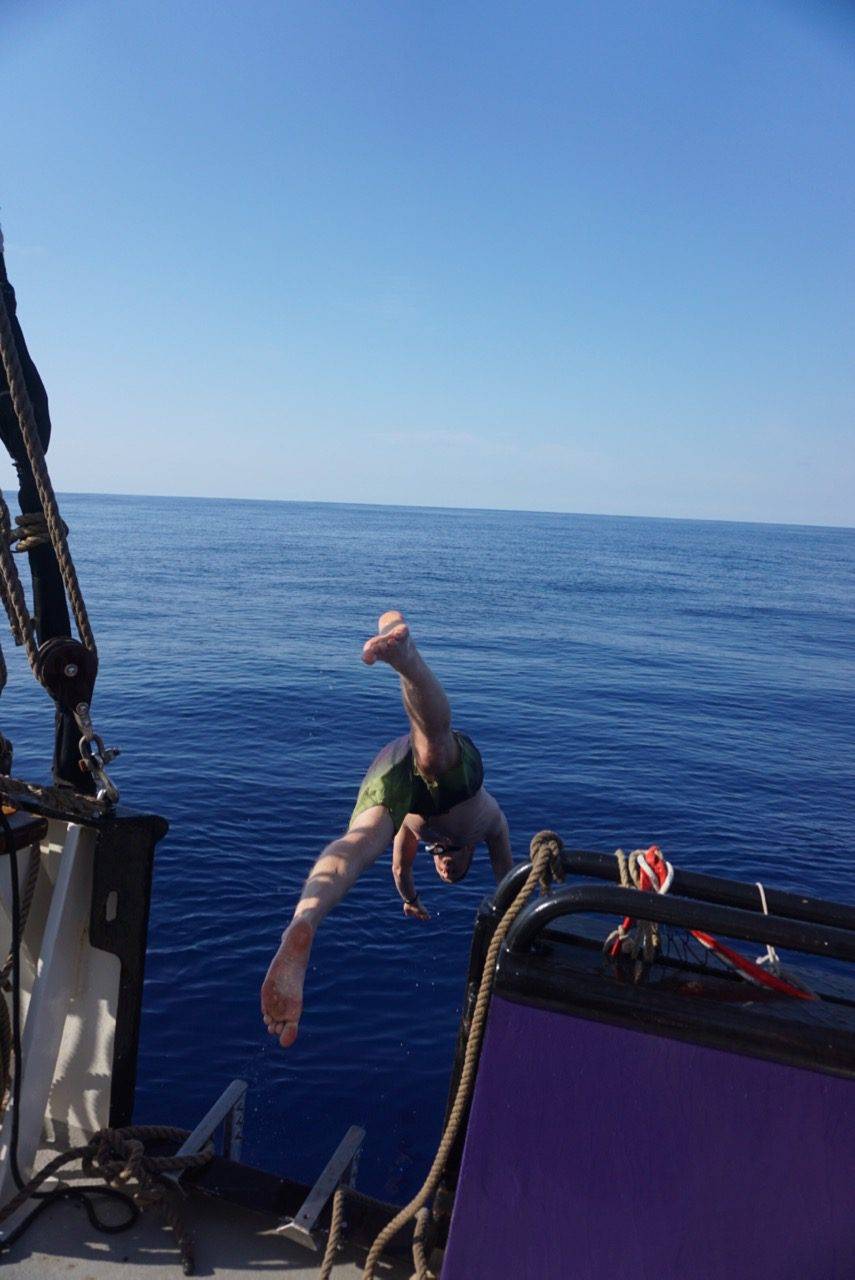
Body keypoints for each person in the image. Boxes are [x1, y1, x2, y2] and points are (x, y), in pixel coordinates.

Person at [261, 611, 512, 1048]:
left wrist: (410, 899)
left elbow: (399, 868)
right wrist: (513, 916)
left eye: (441, 864)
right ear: (469, 851)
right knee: (434, 749)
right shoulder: (487, 823)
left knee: (358, 843)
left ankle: (304, 921)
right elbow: (507, 875)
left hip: (395, 778)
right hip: (450, 775)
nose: (444, 862)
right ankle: (405, 658)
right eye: (452, 862)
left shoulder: (416, 840)